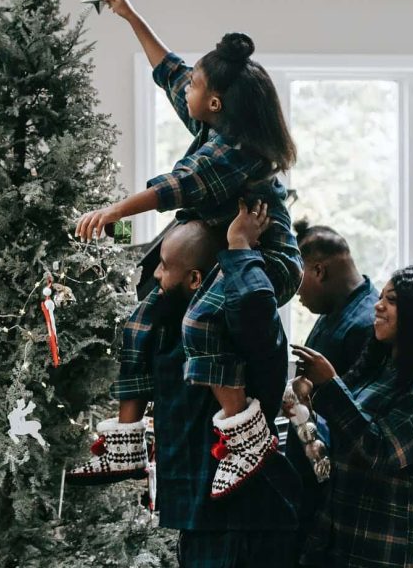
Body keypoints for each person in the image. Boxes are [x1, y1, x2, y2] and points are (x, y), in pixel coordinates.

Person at [70, 0, 302, 496]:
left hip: (266, 258)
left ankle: (246, 434)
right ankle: (125, 444)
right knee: (141, 320)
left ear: (214, 101)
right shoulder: (214, 116)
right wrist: (131, 16)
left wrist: (112, 213)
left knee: (200, 320)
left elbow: (172, 189)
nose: (188, 89)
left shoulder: (234, 152)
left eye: (197, 85)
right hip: (227, 250)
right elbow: (169, 70)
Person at [88, 214, 302, 567]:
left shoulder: (239, 324)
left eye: (165, 267)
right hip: (199, 515)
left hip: (243, 522)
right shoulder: (170, 324)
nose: (156, 275)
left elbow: (255, 300)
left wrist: (239, 247)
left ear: (195, 279)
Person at [292, 264, 413, 568]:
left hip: (395, 554)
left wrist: (330, 384)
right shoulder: (382, 371)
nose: (377, 306)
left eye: (391, 300)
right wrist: (305, 406)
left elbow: (381, 452)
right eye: (381, 297)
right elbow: (348, 439)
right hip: (350, 542)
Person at [286, 220, 378, 554]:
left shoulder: (367, 325)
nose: (296, 294)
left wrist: (306, 397)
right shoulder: (334, 311)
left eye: (297, 280)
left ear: (319, 271)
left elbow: (356, 417)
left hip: (335, 492)